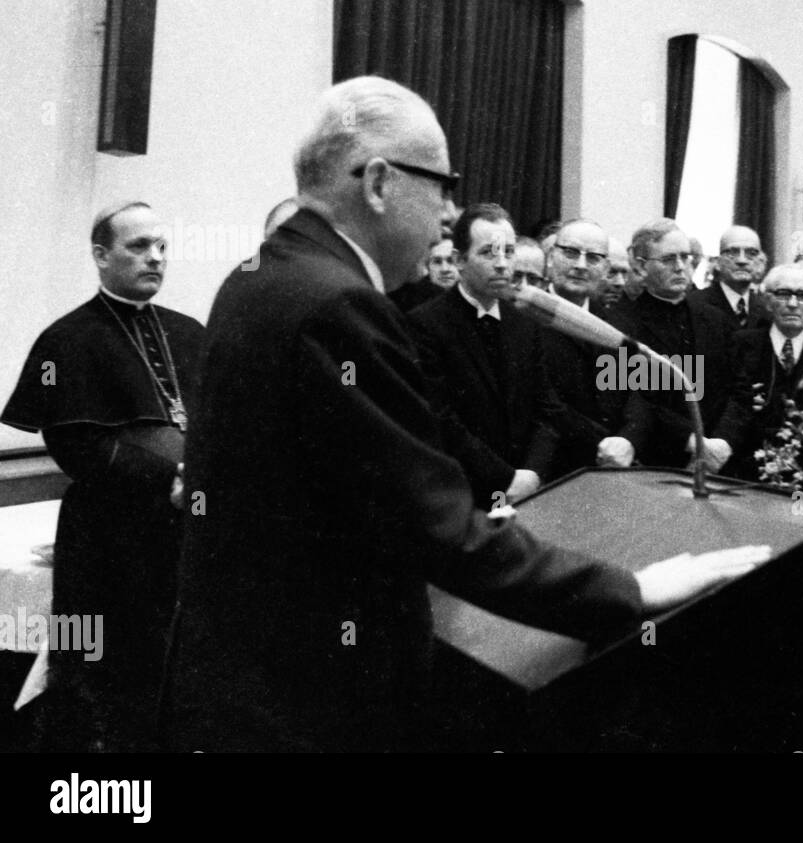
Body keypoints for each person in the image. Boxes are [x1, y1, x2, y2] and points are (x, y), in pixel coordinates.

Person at [162, 77, 765, 752]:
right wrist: (627, 588)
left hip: (239, 673)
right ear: (380, 183)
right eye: (443, 186)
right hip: (309, 694)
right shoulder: (341, 305)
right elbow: (432, 525)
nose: (448, 214)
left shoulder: (258, 276)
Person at [2, 201, 204, 751]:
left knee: (170, 673)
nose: (156, 258)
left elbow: (216, 423)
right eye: (139, 246)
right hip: (103, 539)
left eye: (162, 247)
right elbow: (74, 443)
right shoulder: (66, 340)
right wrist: (168, 477)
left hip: (182, 533)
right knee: (90, 670)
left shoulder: (190, 333)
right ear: (100, 255)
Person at [407, 203, 568, 502]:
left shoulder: (524, 323)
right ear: (459, 260)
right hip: (465, 493)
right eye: (488, 253)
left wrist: (532, 473)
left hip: (530, 488)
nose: (502, 264)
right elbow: (440, 419)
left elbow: (548, 408)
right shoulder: (425, 324)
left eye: (508, 252)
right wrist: (505, 479)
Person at [606, 218, 752, 474]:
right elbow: (637, 401)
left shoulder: (716, 319)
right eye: (668, 259)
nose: (680, 267)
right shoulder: (621, 325)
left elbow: (740, 391)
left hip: (720, 460)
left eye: (685, 258)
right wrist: (693, 442)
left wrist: (722, 443)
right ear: (640, 267)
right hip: (656, 465)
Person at [537, 218, 640, 475]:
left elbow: (636, 394)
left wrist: (628, 439)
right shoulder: (526, 317)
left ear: (605, 268)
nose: (581, 265)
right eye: (571, 253)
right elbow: (543, 403)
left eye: (593, 258)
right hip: (550, 470)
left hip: (613, 469)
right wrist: (603, 443)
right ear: (550, 257)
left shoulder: (617, 324)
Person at [732, 264, 803, 480]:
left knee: (798, 513)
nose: (793, 304)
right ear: (768, 302)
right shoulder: (741, 345)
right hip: (747, 475)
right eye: (783, 294)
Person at [688, 225, 769, 330]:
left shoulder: (766, 310)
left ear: (759, 262)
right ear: (718, 262)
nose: (742, 260)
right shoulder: (693, 304)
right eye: (732, 252)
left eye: (751, 253)